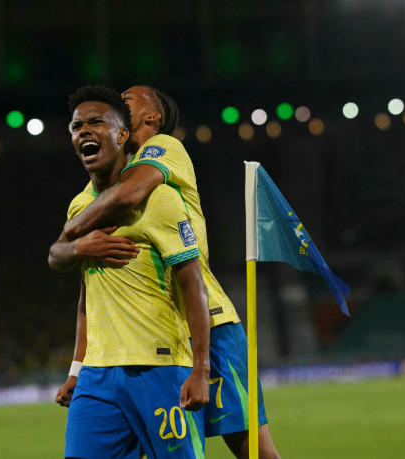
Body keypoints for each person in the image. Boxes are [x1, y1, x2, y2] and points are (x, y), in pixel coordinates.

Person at [51, 86, 280, 459]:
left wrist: (69, 236)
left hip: (209, 323)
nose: (119, 103)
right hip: (148, 330)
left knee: (252, 450)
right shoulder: (89, 193)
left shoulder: (164, 149)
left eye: (127, 102)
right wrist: (72, 247)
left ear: (150, 118)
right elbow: (86, 291)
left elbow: (127, 195)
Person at [57, 85, 210, 459]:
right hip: (97, 375)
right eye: (77, 126)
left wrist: (200, 369)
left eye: (96, 122)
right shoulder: (79, 206)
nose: (85, 131)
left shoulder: (160, 198)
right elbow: (85, 297)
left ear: (123, 134)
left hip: (157, 367)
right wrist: (77, 367)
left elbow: (193, 285)